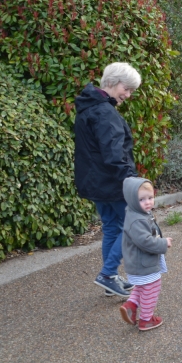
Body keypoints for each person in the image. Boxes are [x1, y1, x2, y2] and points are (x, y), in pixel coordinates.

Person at [74, 62, 141, 298]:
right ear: (112, 82)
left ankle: (109, 279)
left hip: (95, 182)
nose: (128, 94)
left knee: (112, 227)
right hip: (113, 182)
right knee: (132, 226)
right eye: (127, 88)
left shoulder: (88, 107)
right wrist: (133, 182)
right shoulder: (104, 112)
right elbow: (114, 154)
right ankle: (107, 273)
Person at [118, 178, 172, 331]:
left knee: (142, 287)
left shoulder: (138, 213)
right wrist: (163, 242)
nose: (147, 202)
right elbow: (145, 242)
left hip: (139, 263)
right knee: (152, 287)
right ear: (132, 200)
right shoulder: (137, 220)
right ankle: (146, 319)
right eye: (141, 199)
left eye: (150, 198)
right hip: (142, 263)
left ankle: (131, 305)